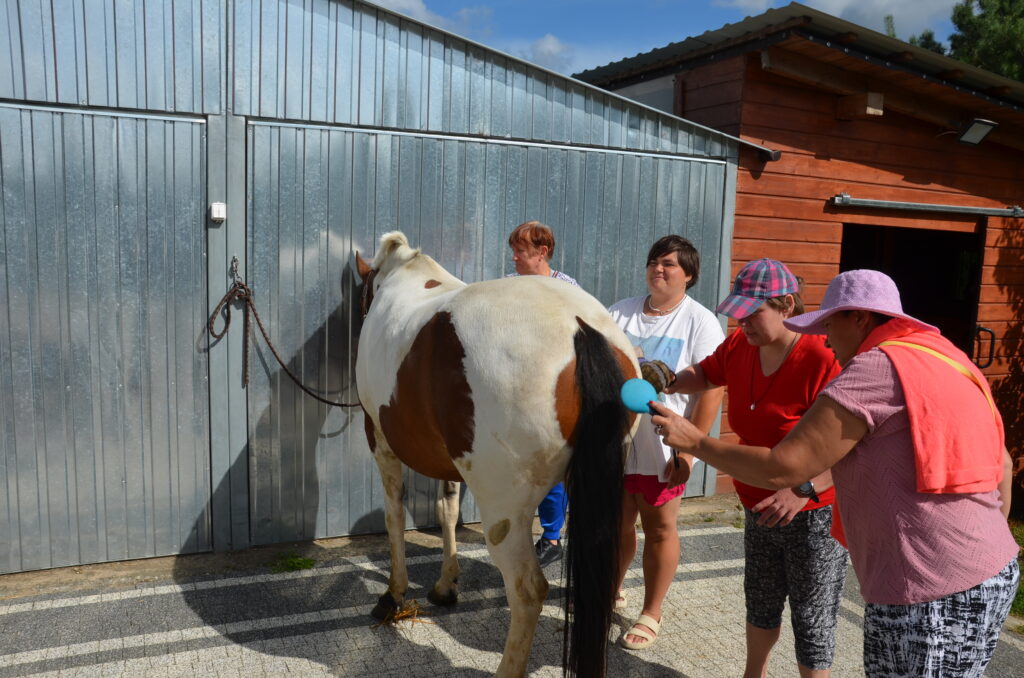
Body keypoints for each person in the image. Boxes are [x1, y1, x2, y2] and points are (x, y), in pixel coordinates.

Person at [651, 269, 1019, 678]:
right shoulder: (944, 355)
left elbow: (784, 467)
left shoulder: (875, 368)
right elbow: (1001, 462)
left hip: (927, 588)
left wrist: (696, 442)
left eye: (830, 323)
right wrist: (974, 549)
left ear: (859, 318)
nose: (825, 337)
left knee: (818, 622)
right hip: (988, 571)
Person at [664, 258, 846, 678]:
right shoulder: (740, 346)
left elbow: (854, 442)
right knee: (760, 602)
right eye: (737, 313)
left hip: (814, 511)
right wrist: (668, 378)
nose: (741, 322)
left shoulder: (823, 356)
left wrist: (803, 489)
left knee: (812, 617)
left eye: (752, 313)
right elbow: (705, 373)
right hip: (757, 501)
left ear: (785, 305)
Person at [607, 235, 725, 650]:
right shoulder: (619, 312)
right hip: (617, 441)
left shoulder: (700, 321)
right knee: (616, 524)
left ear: (689, 275)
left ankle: (651, 611)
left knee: (659, 528)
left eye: (670, 264)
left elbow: (711, 388)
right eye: (654, 261)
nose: (659, 269)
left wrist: (690, 451)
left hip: (664, 445)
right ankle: (612, 589)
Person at [506, 220, 578, 566]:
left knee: (552, 466)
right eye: (514, 252)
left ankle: (552, 536)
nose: (514, 259)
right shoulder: (505, 288)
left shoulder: (568, 289)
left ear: (542, 252)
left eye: (520, 252)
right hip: (512, 393)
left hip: (553, 394)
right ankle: (517, 533)